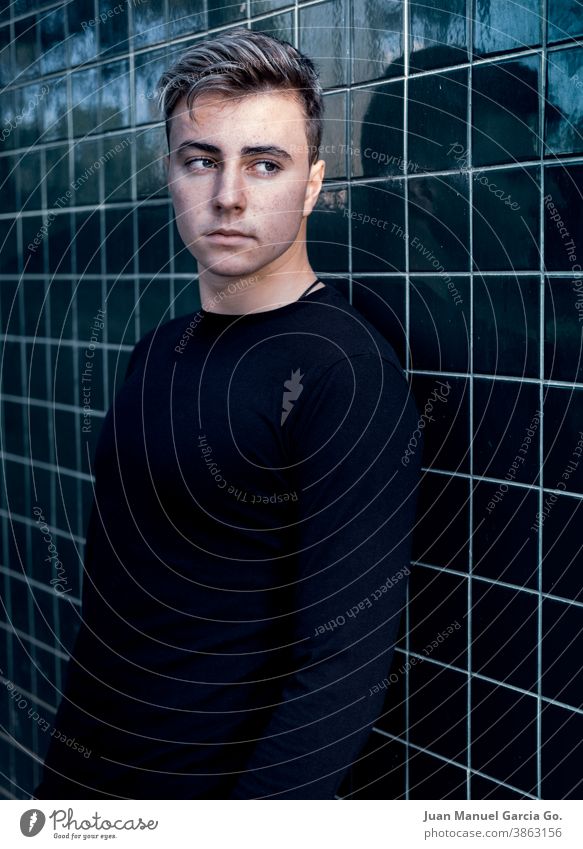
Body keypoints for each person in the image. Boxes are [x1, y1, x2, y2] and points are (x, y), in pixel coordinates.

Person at [34, 27, 421, 800]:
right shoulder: (156, 351)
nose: (228, 195)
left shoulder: (344, 370)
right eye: (201, 160)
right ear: (170, 173)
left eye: (264, 164)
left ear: (312, 183)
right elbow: (111, 607)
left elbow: (340, 668)